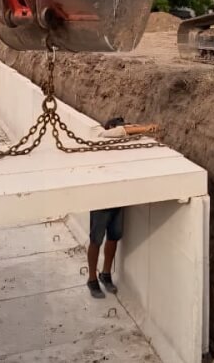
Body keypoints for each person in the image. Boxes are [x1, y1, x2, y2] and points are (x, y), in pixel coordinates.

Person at [86, 117, 126, 298]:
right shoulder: (101, 137)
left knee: (113, 238)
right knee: (96, 240)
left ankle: (106, 274)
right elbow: (115, 133)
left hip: (118, 197)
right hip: (100, 199)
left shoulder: (123, 145)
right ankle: (92, 279)